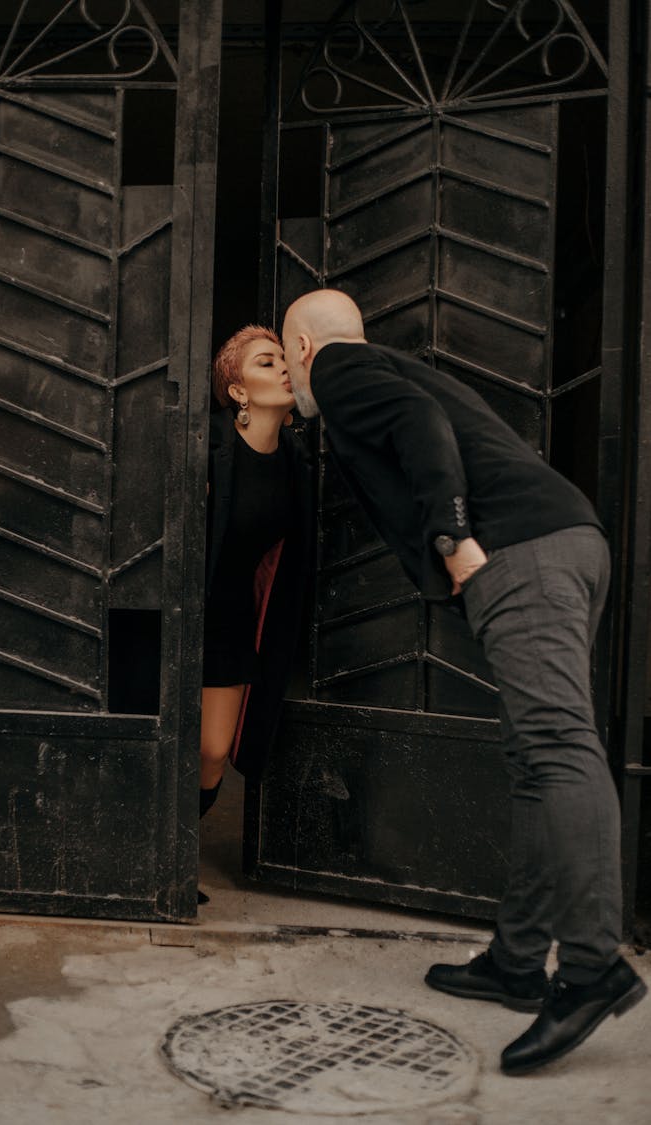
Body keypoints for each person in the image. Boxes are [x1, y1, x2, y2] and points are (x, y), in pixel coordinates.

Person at [280, 288, 646, 1075]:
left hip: (521, 554)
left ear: (305, 347)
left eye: (287, 354)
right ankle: (516, 961)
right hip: (558, 543)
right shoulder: (382, 365)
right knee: (533, 762)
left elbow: (422, 431)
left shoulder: (340, 369)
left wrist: (452, 536)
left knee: (557, 749)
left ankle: (589, 969)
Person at [199, 325, 312, 899]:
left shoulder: (295, 458)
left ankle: (177, 843)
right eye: (267, 363)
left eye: (285, 360)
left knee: (214, 753)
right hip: (184, 610)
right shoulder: (207, 444)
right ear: (238, 390)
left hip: (234, 618)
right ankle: (163, 863)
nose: (283, 370)